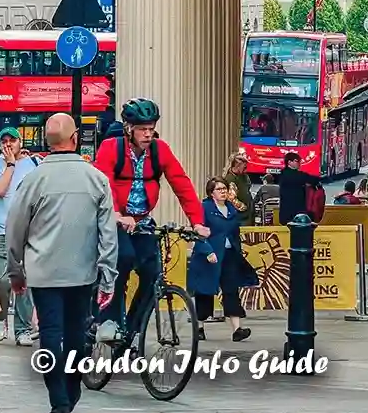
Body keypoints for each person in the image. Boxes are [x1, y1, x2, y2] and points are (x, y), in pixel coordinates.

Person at [5, 114, 116, 413]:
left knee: (50, 332)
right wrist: (108, 276)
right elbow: (108, 234)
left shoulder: (34, 179)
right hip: (82, 271)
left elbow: (16, 228)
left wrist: (15, 270)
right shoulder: (96, 179)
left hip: (43, 271)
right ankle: (72, 387)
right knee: (77, 332)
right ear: (75, 138)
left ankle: (59, 401)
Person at [92, 98, 208, 348]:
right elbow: (104, 184)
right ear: (128, 129)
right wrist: (116, 214)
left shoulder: (159, 150)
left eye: (151, 128)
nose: (147, 133)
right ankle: (108, 321)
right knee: (122, 258)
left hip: (142, 220)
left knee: (152, 273)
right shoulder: (111, 148)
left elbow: (181, 184)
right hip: (114, 218)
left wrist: (197, 222)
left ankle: (131, 330)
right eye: (142, 129)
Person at [0, 126, 38, 345]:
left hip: (27, 231)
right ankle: (0, 320)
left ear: (20, 143)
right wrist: (10, 165)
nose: (8, 144)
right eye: (4, 141)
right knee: (1, 280)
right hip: (0, 230)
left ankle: (23, 328)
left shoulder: (34, 165)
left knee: (24, 281)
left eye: (12, 141)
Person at [187, 176, 257, 342]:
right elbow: (198, 232)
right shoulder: (204, 208)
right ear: (211, 193)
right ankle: (200, 327)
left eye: (225, 189)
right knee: (205, 291)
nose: (223, 192)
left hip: (229, 254)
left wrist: (238, 251)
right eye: (219, 189)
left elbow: (235, 233)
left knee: (231, 289)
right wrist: (208, 251)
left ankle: (237, 329)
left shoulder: (231, 210)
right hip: (209, 255)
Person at [275, 152, 325, 225]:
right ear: (289, 162)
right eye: (297, 161)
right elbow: (314, 180)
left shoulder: (282, 174)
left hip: (285, 211)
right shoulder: (297, 175)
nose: (299, 163)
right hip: (297, 211)